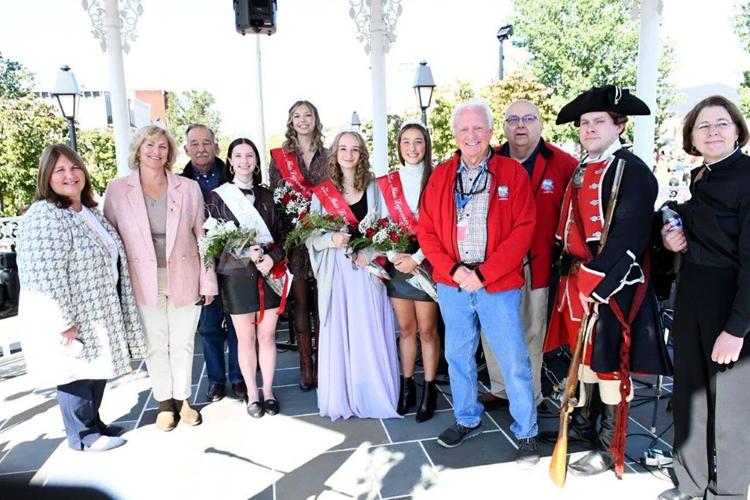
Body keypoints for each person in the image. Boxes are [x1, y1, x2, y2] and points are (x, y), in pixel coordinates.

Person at [544, 85, 672, 477]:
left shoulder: (631, 171)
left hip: (611, 286)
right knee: (584, 362)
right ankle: (582, 427)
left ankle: (608, 445)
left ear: (619, 124)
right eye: (584, 123)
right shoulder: (583, 167)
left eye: (598, 121)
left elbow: (629, 237)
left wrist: (596, 284)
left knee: (609, 367)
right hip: (576, 281)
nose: (589, 128)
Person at [417, 99, 539, 466]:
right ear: (455, 134)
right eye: (464, 129)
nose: (471, 135)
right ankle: (466, 418)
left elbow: (524, 230)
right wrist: (454, 271)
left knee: (513, 357)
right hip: (452, 284)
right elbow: (426, 230)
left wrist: (484, 274)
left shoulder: (512, 174)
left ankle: (527, 429)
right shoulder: (441, 175)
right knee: (458, 355)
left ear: (489, 132)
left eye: (478, 128)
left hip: (496, 284)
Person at [16, 144, 145, 452]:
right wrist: (62, 322)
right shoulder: (45, 215)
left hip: (97, 309)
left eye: (74, 168)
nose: (69, 175)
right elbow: (43, 275)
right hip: (72, 315)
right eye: (60, 170)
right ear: (47, 176)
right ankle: (83, 436)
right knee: (75, 374)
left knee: (94, 371)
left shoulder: (87, 211)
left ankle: (94, 423)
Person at [659, 96, 750, 500]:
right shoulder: (700, 177)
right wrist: (672, 237)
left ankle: (727, 491)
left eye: (721, 123)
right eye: (703, 126)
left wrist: (737, 327)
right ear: (692, 136)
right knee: (689, 393)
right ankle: (691, 482)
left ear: (737, 130)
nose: (712, 132)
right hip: (693, 291)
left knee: (730, 406)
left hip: (733, 297)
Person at [104, 125, 218, 432]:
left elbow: (203, 237)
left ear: (170, 153)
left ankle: (183, 399)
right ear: (138, 149)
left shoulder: (187, 188)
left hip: (185, 275)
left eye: (162, 147)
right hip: (142, 280)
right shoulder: (117, 190)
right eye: (149, 145)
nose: (156, 151)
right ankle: (164, 402)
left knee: (182, 343)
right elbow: (110, 241)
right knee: (155, 343)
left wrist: (208, 281)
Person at [479, 99, 577, 411]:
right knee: (492, 328)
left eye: (528, 118)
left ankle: (530, 394)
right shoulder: (487, 160)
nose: (520, 125)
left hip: (538, 262)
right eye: (513, 119)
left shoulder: (563, 164)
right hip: (493, 262)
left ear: (540, 124)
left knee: (532, 330)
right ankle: (501, 388)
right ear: (503, 127)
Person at [305, 130, 400, 421]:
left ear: (362, 155)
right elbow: (310, 236)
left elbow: (389, 230)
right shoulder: (322, 192)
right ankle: (345, 394)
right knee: (342, 331)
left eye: (354, 149)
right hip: (337, 272)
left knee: (367, 331)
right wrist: (330, 239)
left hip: (366, 271)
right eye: (343, 149)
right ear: (334, 154)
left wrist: (368, 253)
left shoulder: (374, 189)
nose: (348, 154)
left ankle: (371, 393)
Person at [206, 138, 287, 418]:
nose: (244, 161)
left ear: (256, 160)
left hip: (267, 273)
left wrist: (271, 258)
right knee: (244, 339)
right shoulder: (218, 197)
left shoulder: (267, 197)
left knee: (267, 336)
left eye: (249, 155)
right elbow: (212, 242)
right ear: (229, 160)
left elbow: (282, 235)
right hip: (236, 277)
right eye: (238, 155)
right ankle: (252, 393)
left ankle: (268, 391)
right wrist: (244, 253)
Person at [377, 122, 440, 422]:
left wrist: (417, 257)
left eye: (418, 142)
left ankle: (429, 389)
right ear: (398, 147)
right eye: (406, 142)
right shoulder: (388, 182)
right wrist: (394, 255)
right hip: (398, 262)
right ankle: (407, 388)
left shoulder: (437, 177)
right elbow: (382, 224)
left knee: (427, 330)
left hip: (427, 260)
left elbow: (442, 224)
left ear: (426, 145)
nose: (412, 148)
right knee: (405, 330)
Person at [180, 124, 245, 402]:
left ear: (217, 146)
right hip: (200, 263)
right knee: (208, 326)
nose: (201, 148)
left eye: (206, 143)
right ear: (186, 149)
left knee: (237, 324)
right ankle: (216, 380)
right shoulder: (180, 182)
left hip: (234, 261)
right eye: (194, 144)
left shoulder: (232, 175)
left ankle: (239, 377)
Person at [270, 101, 330, 391]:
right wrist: (296, 219)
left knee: (323, 301)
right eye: (297, 116)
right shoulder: (281, 158)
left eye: (308, 115)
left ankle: (324, 360)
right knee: (301, 301)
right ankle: (306, 364)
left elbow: (335, 195)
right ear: (290, 121)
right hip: (295, 240)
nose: (303, 120)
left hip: (323, 238)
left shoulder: (329, 155)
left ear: (316, 119)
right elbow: (276, 196)